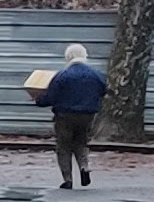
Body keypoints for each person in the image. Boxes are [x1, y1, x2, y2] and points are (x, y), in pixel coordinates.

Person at [40, 43, 107, 187]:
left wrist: (38, 100)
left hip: (65, 115)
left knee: (63, 146)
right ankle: (84, 166)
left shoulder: (62, 75)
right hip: (88, 115)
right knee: (81, 142)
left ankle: (68, 180)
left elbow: (50, 97)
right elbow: (103, 90)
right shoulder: (96, 75)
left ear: (68, 57)